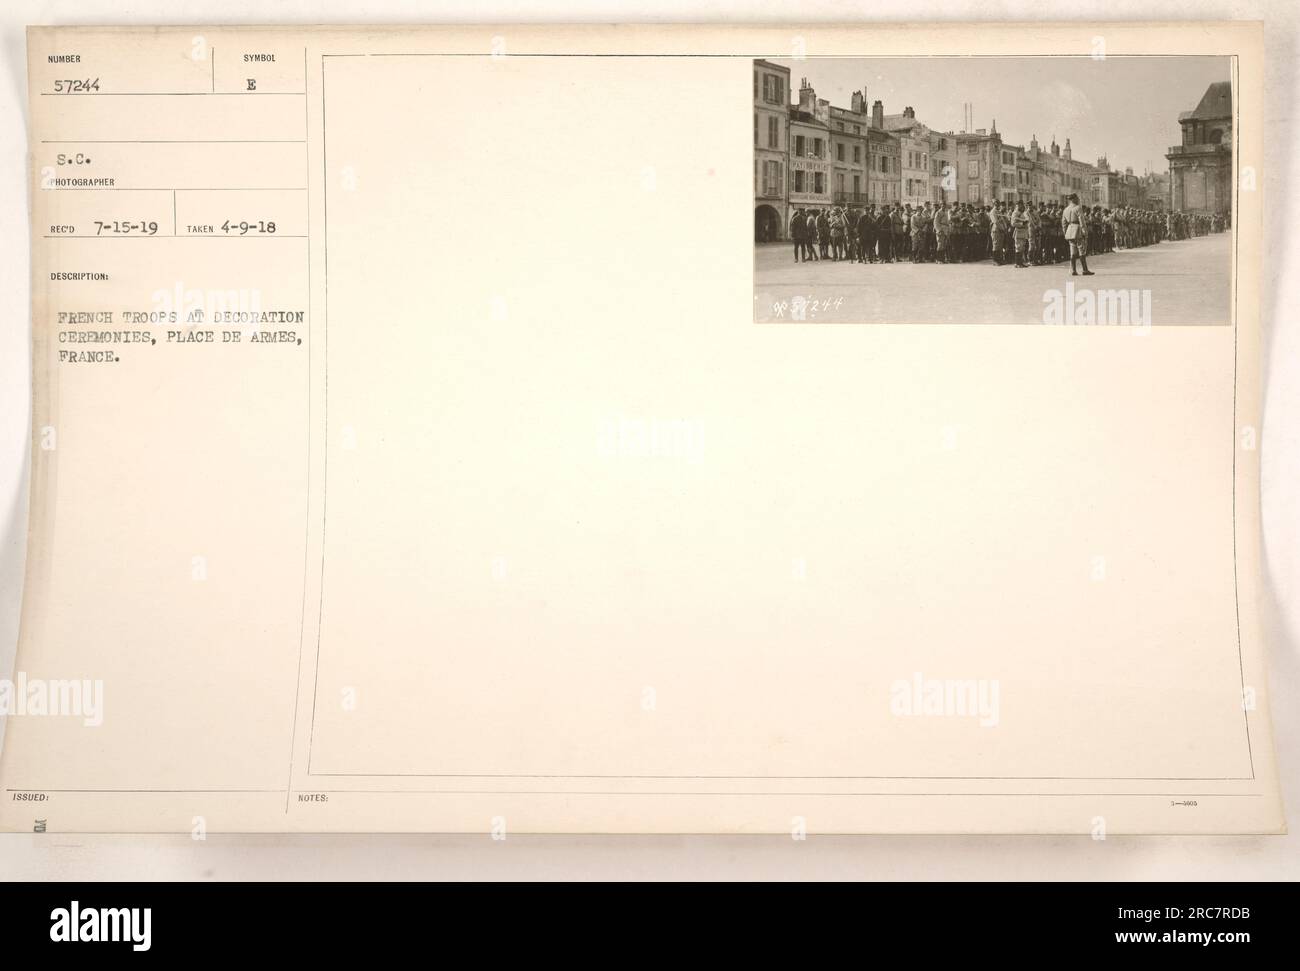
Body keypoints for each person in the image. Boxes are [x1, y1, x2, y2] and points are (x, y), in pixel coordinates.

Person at [1061, 193, 1094, 276]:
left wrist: (1065, 233)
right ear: (1074, 199)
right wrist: (1084, 232)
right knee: (1081, 250)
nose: (1078, 199)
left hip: (1070, 229)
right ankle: (1085, 270)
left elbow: (1064, 223)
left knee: (1072, 251)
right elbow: (1082, 221)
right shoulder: (1078, 208)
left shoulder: (1066, 210)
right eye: (1077, 198)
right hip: (1078, 229)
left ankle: (1073, 270)